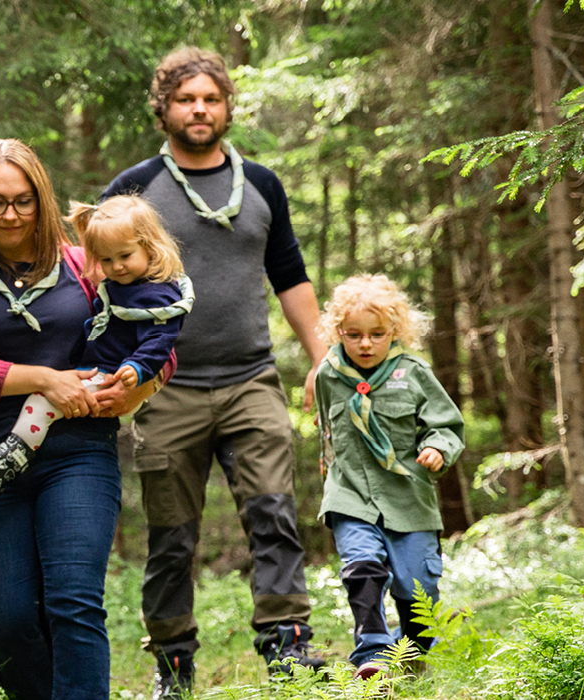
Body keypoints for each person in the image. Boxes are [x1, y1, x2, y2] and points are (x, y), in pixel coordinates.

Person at [100, 46, 329, 695]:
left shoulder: (260, 183)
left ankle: (288, 648)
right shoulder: (134, 188)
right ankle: (173, 663)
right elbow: (96, 282)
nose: (199, 109)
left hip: (251, 378)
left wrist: (322, 360)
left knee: (274, 514)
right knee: (172, 536)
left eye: (210, 98)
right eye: (185, 99)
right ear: (164, 108)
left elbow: (290, 277)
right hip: (163, 385)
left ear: (226, 106)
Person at [0, 139, 169, 700]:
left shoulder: (86, 264)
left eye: (24, 201)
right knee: (5, 621)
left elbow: (156, 334)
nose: (11, 215)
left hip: (78, 455)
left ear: (44, 200)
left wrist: (130, 390)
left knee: (73, 602)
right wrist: (46, 379)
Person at [0, 195, 196, 502]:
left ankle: (6, 461)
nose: (115, 267)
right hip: (92, 371)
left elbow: (161, 342)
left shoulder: (156, 293)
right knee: (43, 400)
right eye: (106, 260)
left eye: (124, 256)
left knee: (41, 403)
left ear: (150, 246)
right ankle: (8, 459)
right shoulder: (120, 283)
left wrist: (139, 372)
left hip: (108, 376)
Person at [312, 275, 464, 679]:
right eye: (354, 334)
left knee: (418, 590)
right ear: (337, 331)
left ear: (394, 331)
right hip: (350, 493)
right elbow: (327, 427)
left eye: (377, 334)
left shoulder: (413, 372)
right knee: (362, 567)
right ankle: (372, 654)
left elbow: (446, 425)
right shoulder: (328, 373)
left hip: (406, 495)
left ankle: (410, 651)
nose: (365, 344)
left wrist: (437, 448)